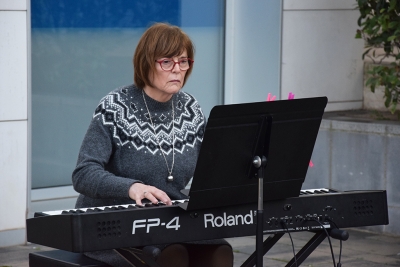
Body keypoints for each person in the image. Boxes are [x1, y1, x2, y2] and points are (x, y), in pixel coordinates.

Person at [72, 22, 233, 267]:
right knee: (172, 254)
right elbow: (84, 174)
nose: (177, 69)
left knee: (219, 252)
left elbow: (211, 168)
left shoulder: (191, 110)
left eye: (183, 61)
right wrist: (132, 187)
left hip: (169, 221)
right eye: (167, 62)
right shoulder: (116, 107)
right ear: (146, 63)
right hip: (115, 223)